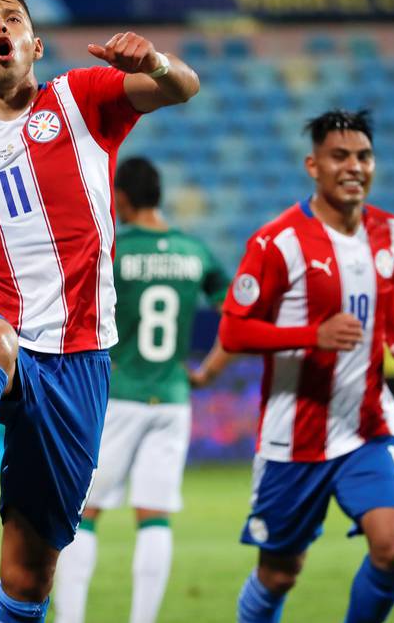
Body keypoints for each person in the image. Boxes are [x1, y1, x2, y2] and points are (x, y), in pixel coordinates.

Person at [0, 0, 199, 621]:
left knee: (30, 580)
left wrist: (156, 62)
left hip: (81, 360)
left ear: (35, 44)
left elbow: (183, 88)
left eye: (12, 18)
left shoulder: (83, 100)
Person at [217, 109, 394, 623]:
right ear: (314, 165)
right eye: (340, 156)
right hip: (295, 438)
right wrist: (313, 335)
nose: (354, 166)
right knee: (280, 573)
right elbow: (232, 332)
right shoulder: (276, 242)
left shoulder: (389, 231)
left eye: (363, 156)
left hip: (368, 427)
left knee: (393, 545)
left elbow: (387, 300)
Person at [53, 156, 232, 623]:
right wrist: (210, 369)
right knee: (154, 515)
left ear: (124, 199)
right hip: (173, 399)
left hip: (118, 397)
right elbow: (238, 314)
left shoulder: (115, 250)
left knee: (83, 513)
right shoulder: (195, 251)